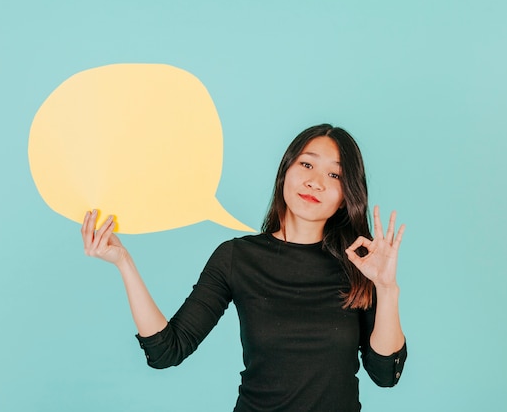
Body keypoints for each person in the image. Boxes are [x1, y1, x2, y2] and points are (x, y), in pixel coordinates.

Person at [82, 124, 407, 411]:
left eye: (334, 174)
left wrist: (387, 289)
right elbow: (167, 351)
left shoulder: (360, 265)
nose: (315, 182)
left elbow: (384, 374)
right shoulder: (237, 257)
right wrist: (124, 263)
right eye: (306, 164)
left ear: (346, 195)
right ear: (285, 172)